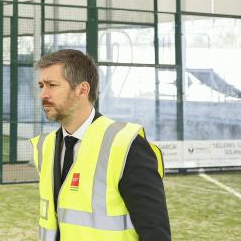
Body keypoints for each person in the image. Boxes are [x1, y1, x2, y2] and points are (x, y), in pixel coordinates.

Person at [31, 49, 170, 241]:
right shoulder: (45, 147)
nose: (43, 94)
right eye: (41, 86)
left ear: (82, 89)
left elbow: (155, 232)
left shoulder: (126, 145)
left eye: (52, 85)